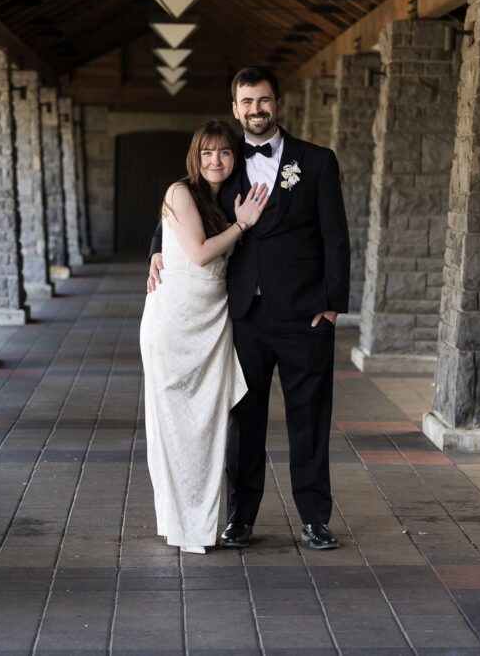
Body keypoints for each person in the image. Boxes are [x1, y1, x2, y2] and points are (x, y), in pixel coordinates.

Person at [149, 66, 351, 551]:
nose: (255, 109)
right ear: (235, 107)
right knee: (244, 422)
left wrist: (332, 306)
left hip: (305, 314)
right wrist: (156, 247)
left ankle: (314, 519)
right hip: (241, 317)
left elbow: (336, 237)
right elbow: (187, 196)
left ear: (276, 103)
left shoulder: (318, 161)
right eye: (246, 102)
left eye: (263, 100)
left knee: (310, 419)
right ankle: (240, 518)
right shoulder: (224, 159)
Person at [139, 119, 269, 554]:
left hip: (213, 322)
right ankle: (179, 522)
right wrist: (242, 225)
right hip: (175, 322)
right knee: (174, 426)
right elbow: (196, 254)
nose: (216, 160)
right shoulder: (180, 191)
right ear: (196, 156)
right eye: (207, 152)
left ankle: (200, 520)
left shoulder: (228, 197)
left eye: (225, 152)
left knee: (206, 426)